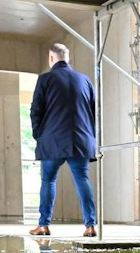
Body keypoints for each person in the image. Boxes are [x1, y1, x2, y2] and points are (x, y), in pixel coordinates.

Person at [29, 42, 98, 238]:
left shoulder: (45, 79)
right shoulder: (85, 81)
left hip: (52, 141)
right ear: (67, 58)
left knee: (48, 180)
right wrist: (90, 138)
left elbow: (36, 111)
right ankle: (90, 225)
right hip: (80, 140)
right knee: (82, 179)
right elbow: (94, 114)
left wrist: (38, 135)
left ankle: (43, 225)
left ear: (51, 58)